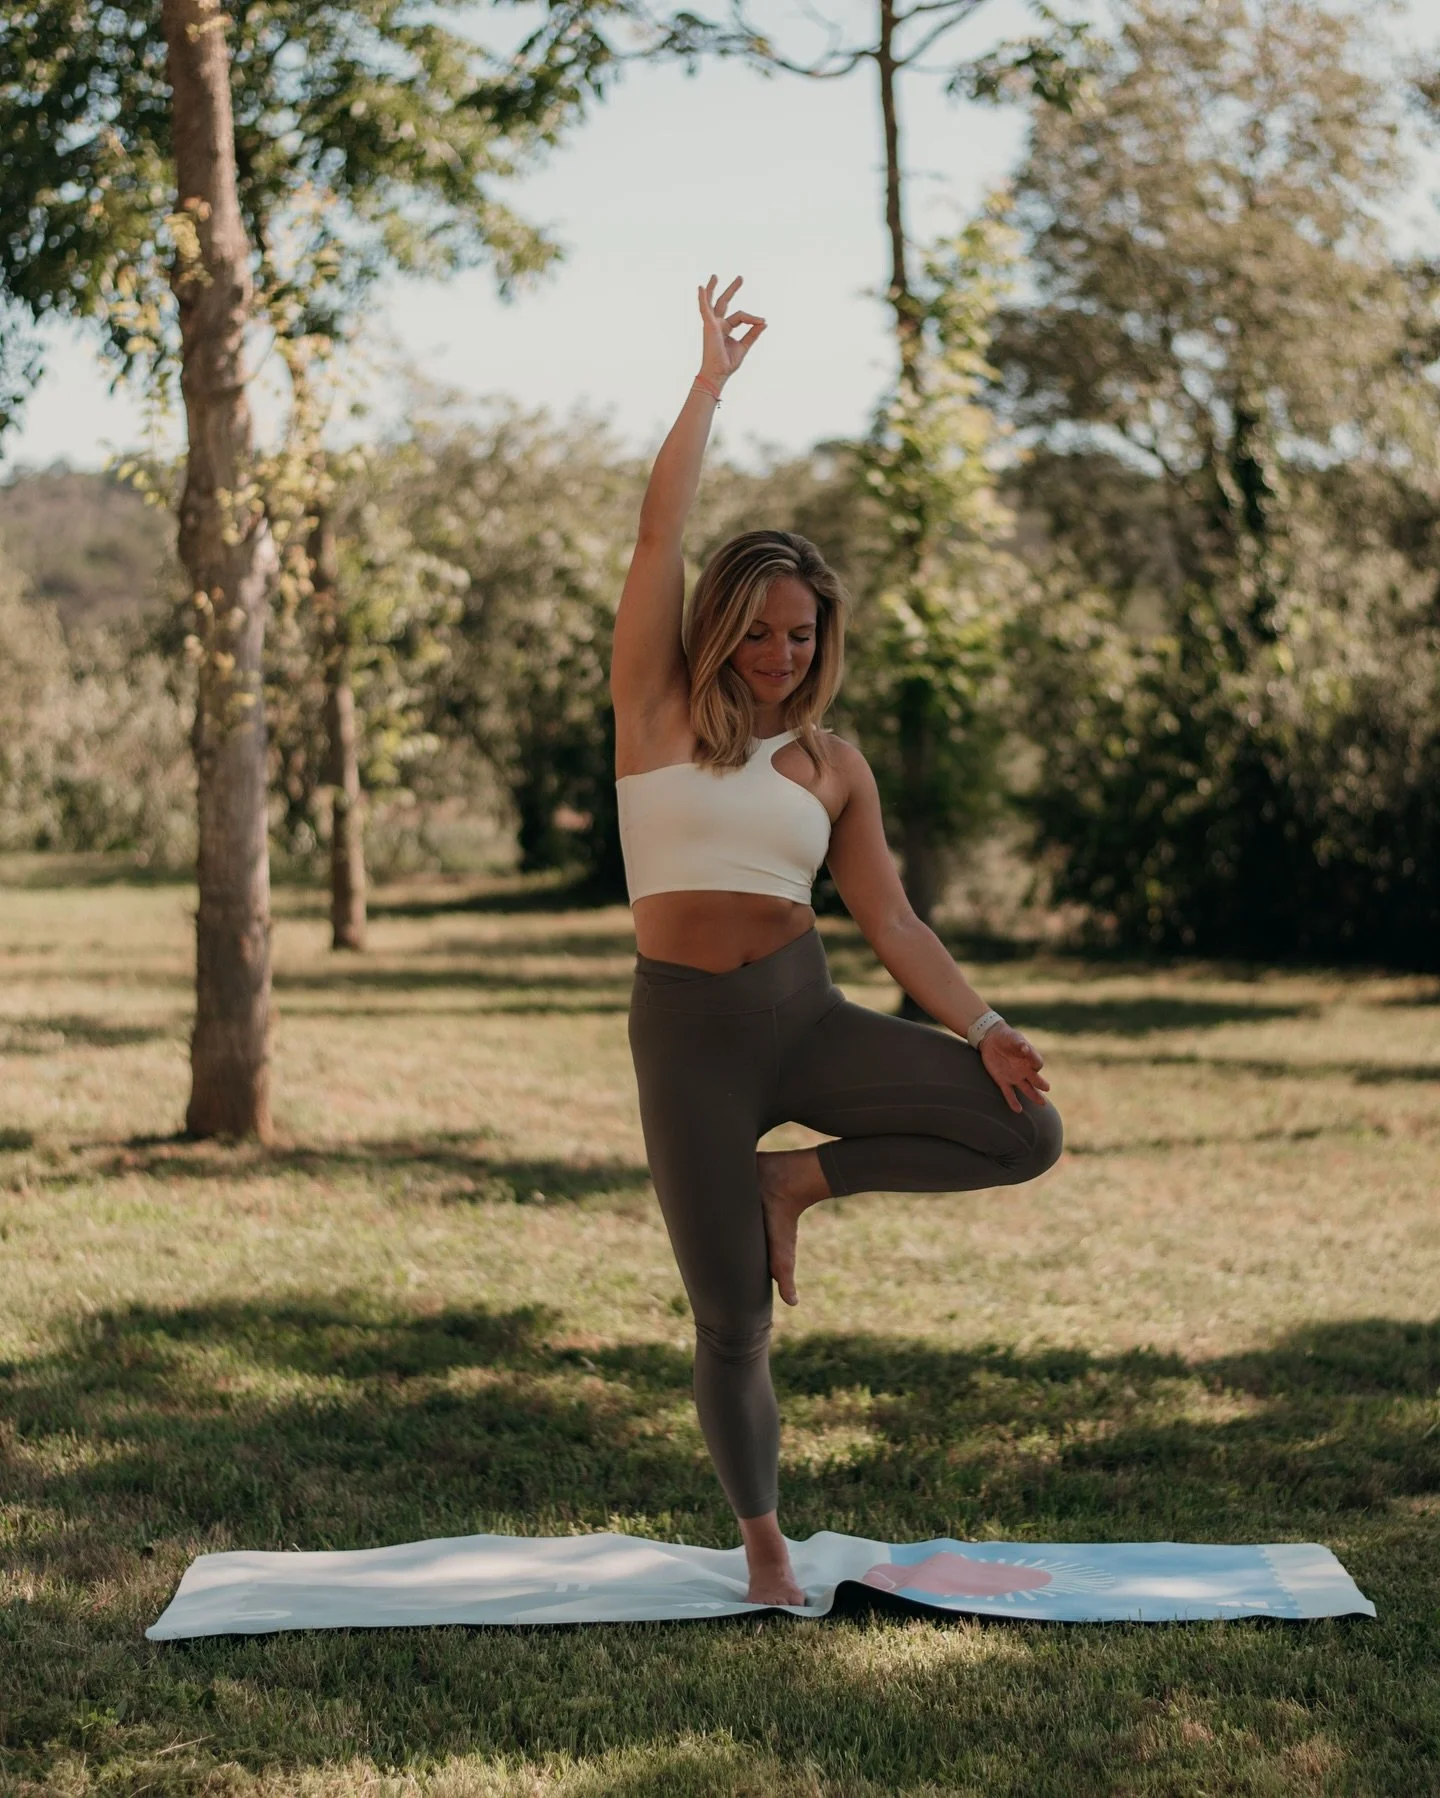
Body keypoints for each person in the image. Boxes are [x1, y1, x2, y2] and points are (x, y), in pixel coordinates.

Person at [611, 274, 1063, 1606]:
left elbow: (893, 922)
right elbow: (655, 537)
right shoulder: (651, 708)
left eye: (799, 633)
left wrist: (984, 1029)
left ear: (823, 641)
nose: (777, 651)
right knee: (731, 1318)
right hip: (687, 1043)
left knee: (1024, 1128)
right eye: (756, 629)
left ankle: (799, 1181)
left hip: (805, 1017)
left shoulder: (832, 765)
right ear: (719, 627)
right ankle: (762, 1544)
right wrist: (709, 386)